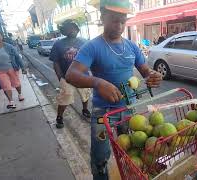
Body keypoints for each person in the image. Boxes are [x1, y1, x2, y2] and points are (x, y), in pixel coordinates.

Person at [65, 0, 162, 179]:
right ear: (102, 18)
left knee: (131, 149)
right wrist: (98, 83)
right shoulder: (92, 47)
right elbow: (71, 75)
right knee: (100, 155)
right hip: (103, 114)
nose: (119, 25)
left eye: (123, 21)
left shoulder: (132, 46)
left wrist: (153, 75)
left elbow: (145, 71)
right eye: (114, 20)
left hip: (128, 110)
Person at [49, 19, 92, 129]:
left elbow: (91, 57)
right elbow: (56, 62)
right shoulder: (58, 44)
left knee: (85, 94)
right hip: (66, 77)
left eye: (74, 27)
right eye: (68, 28)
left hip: (83, 76)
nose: (72, 30)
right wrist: (60, 78)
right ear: (64, 31)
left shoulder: (84, 42)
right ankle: (59, 117)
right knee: (65, 97)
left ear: (77, 30)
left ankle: (85, 109)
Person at [0, 29, 26, 108]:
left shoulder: (9, 46)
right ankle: (11, 102)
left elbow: (18, 57)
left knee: (16, 83)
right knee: (5, 86)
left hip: (12, 69)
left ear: (2, 37)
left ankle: (20, 94)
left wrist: (23, 67)